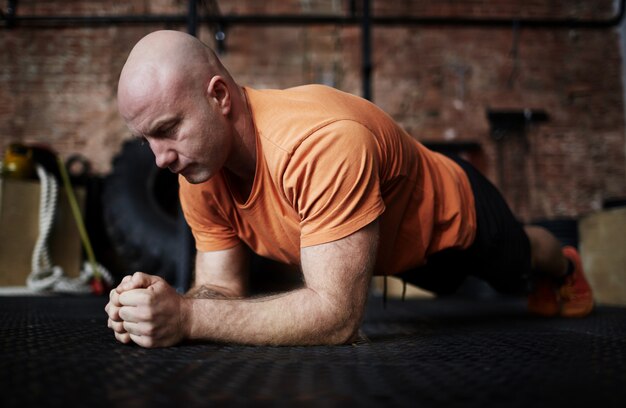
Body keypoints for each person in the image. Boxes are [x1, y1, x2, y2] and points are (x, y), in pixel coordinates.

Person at [105, 30, 593, 348]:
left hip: (455, 220)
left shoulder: (321, 142)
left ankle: (567, 264)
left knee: (523, 264)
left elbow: (335, 317)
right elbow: (223, 290)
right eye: (146, 139)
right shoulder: (197, 170)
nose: (160, 158)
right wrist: (159, 308)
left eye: (168, 129)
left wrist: (188, 319)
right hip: (385, 253)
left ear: (219, 96)